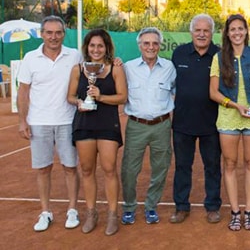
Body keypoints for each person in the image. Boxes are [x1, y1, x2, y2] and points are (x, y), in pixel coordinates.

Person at [209, 14, 250, 231]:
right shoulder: (219, 58)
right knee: (229, 164)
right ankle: (235, 212)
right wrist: (236, 106)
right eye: (232, 29)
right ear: (227, 34)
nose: (237, 33)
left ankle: (249, 212)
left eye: (240, 29)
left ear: (246, 31)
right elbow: (213, 92)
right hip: (228, 117)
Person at [17, 15, 82, 232]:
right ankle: (45, 212)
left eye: (58, 33)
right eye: (49, 32)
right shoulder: (30, 58)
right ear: (42, 34)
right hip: (38, 123)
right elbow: (23, 91)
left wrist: (116, 61)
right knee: (43, 169)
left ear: (64, 34)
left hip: (68, 121)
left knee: (70, 168)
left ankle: (72, 209)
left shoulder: (75, 55)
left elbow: (96, 67)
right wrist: (22, 121)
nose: (53, 37)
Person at [67, 29, 127, 235]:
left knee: (109, 169)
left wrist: (100, 97)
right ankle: (91, 213)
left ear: (107, 47)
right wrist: (80, 102)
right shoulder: (77, 69)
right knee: (86, 170)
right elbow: (70, 97)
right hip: (84, 123)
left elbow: (122, 97)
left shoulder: (116, 69)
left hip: (108, 124)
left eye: (100, 46)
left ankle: (112, 214)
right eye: (92, 45)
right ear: (87, 47)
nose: (96, 49)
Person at [169, 14, 223, 224]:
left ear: (212, 33)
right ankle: (181, 206)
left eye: (206, 30)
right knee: (183, 166)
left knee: (212, 167)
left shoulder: (220, 55)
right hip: (183, 123)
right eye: (198, 30)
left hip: (212, 123)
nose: (201, 34)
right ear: (191, 32)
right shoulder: (179, 53)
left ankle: (212, 206)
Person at [121, 27, 176, 225]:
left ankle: (151, 206)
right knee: (129, 169)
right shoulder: (127, 67)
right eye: (146, 43)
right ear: (140, 45)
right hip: (136, 126)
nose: (150, 47)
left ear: (160, 45)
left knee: (161, 168)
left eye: (154, 43)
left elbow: (179, 90)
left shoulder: (170, 67)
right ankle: (129, 207)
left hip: (162, 125)